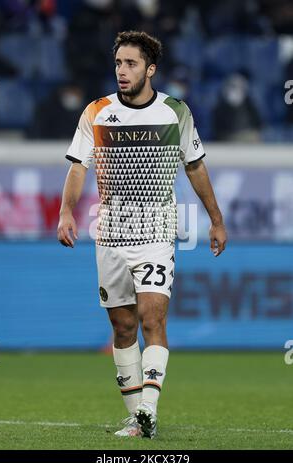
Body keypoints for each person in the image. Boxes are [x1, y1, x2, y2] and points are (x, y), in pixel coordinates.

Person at [57, 30, 227, 439]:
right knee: (122, 327)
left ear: (150, 69)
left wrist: (216, 220)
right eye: (118, 63)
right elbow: (79, 166)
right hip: (111, 233)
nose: (122, 70)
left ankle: (149, 406)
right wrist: (66, 211)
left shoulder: (175, 113)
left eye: (131, 63)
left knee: (153, 316)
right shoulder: (96, 112)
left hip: (155, 229)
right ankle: (139, 421)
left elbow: (195, 167)